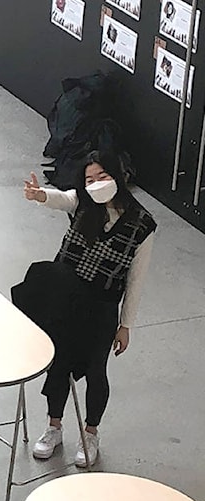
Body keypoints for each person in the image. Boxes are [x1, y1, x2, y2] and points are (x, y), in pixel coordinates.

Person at [23, 150, 156, 467]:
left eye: (102, 177)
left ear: (118, 176)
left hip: (102, 306)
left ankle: (90, 432)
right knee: (59, 365)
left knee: (96, 371)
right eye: (89, 179)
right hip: (64, 297)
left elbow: (136, 279)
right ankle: (53, 427)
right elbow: (62, 199)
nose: (95, 185)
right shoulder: (82, 203)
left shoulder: (142, 224)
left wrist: (126, 325)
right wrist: (40, 195)